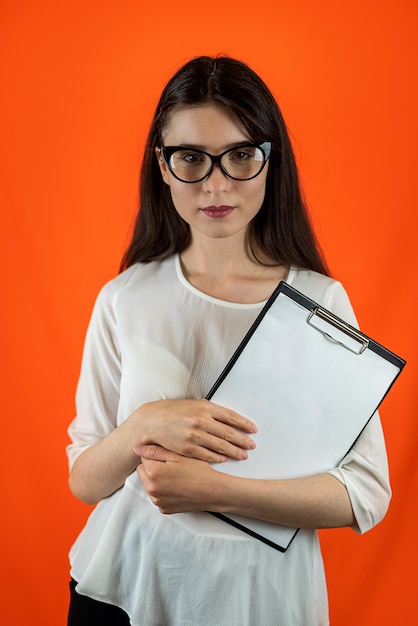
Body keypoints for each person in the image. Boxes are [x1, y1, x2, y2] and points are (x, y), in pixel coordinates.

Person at [66, 55, 391, 626]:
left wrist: (213, 490)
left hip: (260, 602)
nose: (217, 184)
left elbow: (364, 492)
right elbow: (85, 481)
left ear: (270, 162)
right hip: (122, 587)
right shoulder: (125, 296)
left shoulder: (319, 302)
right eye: (191, 157)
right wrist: (145, 424)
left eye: (241, 155)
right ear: (162, 167)